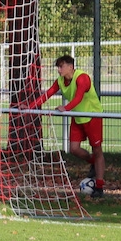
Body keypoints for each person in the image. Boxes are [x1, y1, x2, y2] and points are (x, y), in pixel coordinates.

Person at [26, 54, 106, 198]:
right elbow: (47, 94)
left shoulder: (82, 78)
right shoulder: (60, 81)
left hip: (93, 117)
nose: (59, 70)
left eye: (61, 66)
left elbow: (78, 97)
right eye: (58, 67)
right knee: (73, 149)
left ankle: (99, 187)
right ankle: (93, 162)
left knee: (97, 149)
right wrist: (29, 107)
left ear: (70, 66)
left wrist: (66, 108)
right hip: (78, 117)